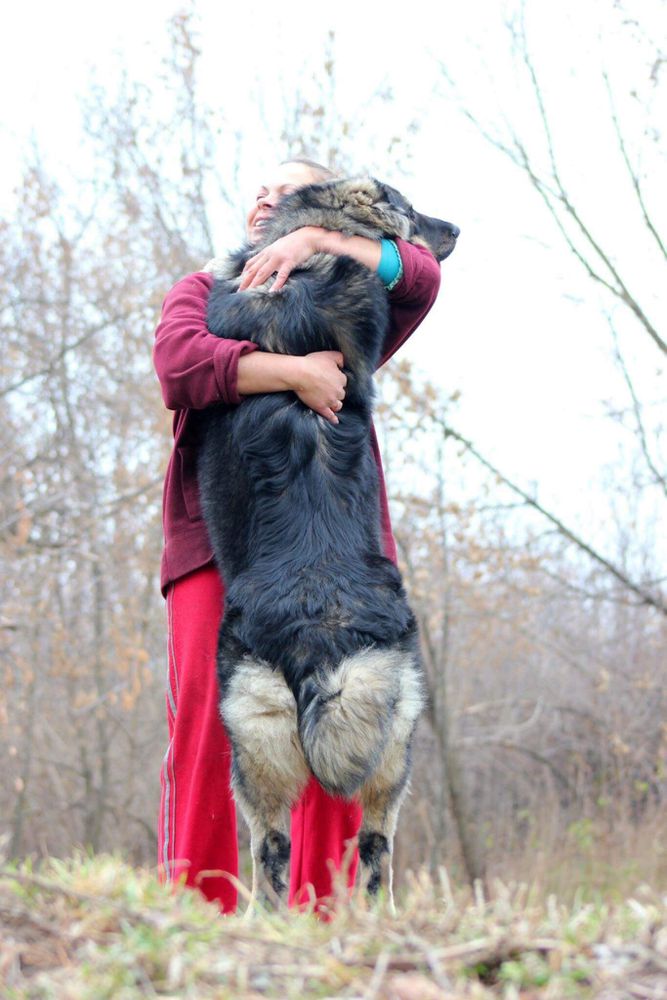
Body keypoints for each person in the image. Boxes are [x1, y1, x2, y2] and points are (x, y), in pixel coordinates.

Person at [153, 157, 441, 914]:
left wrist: (320, 235)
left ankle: (327, 919)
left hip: (334, 552)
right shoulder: (206, 291)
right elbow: (179, 366)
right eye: (259, 190)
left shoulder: (353, 298)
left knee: (341, 716)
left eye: (288, 193)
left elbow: (420, 277)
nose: (266, 200)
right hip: (217, 543)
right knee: (210, 726)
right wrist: (293, 373)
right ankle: (194, 912)